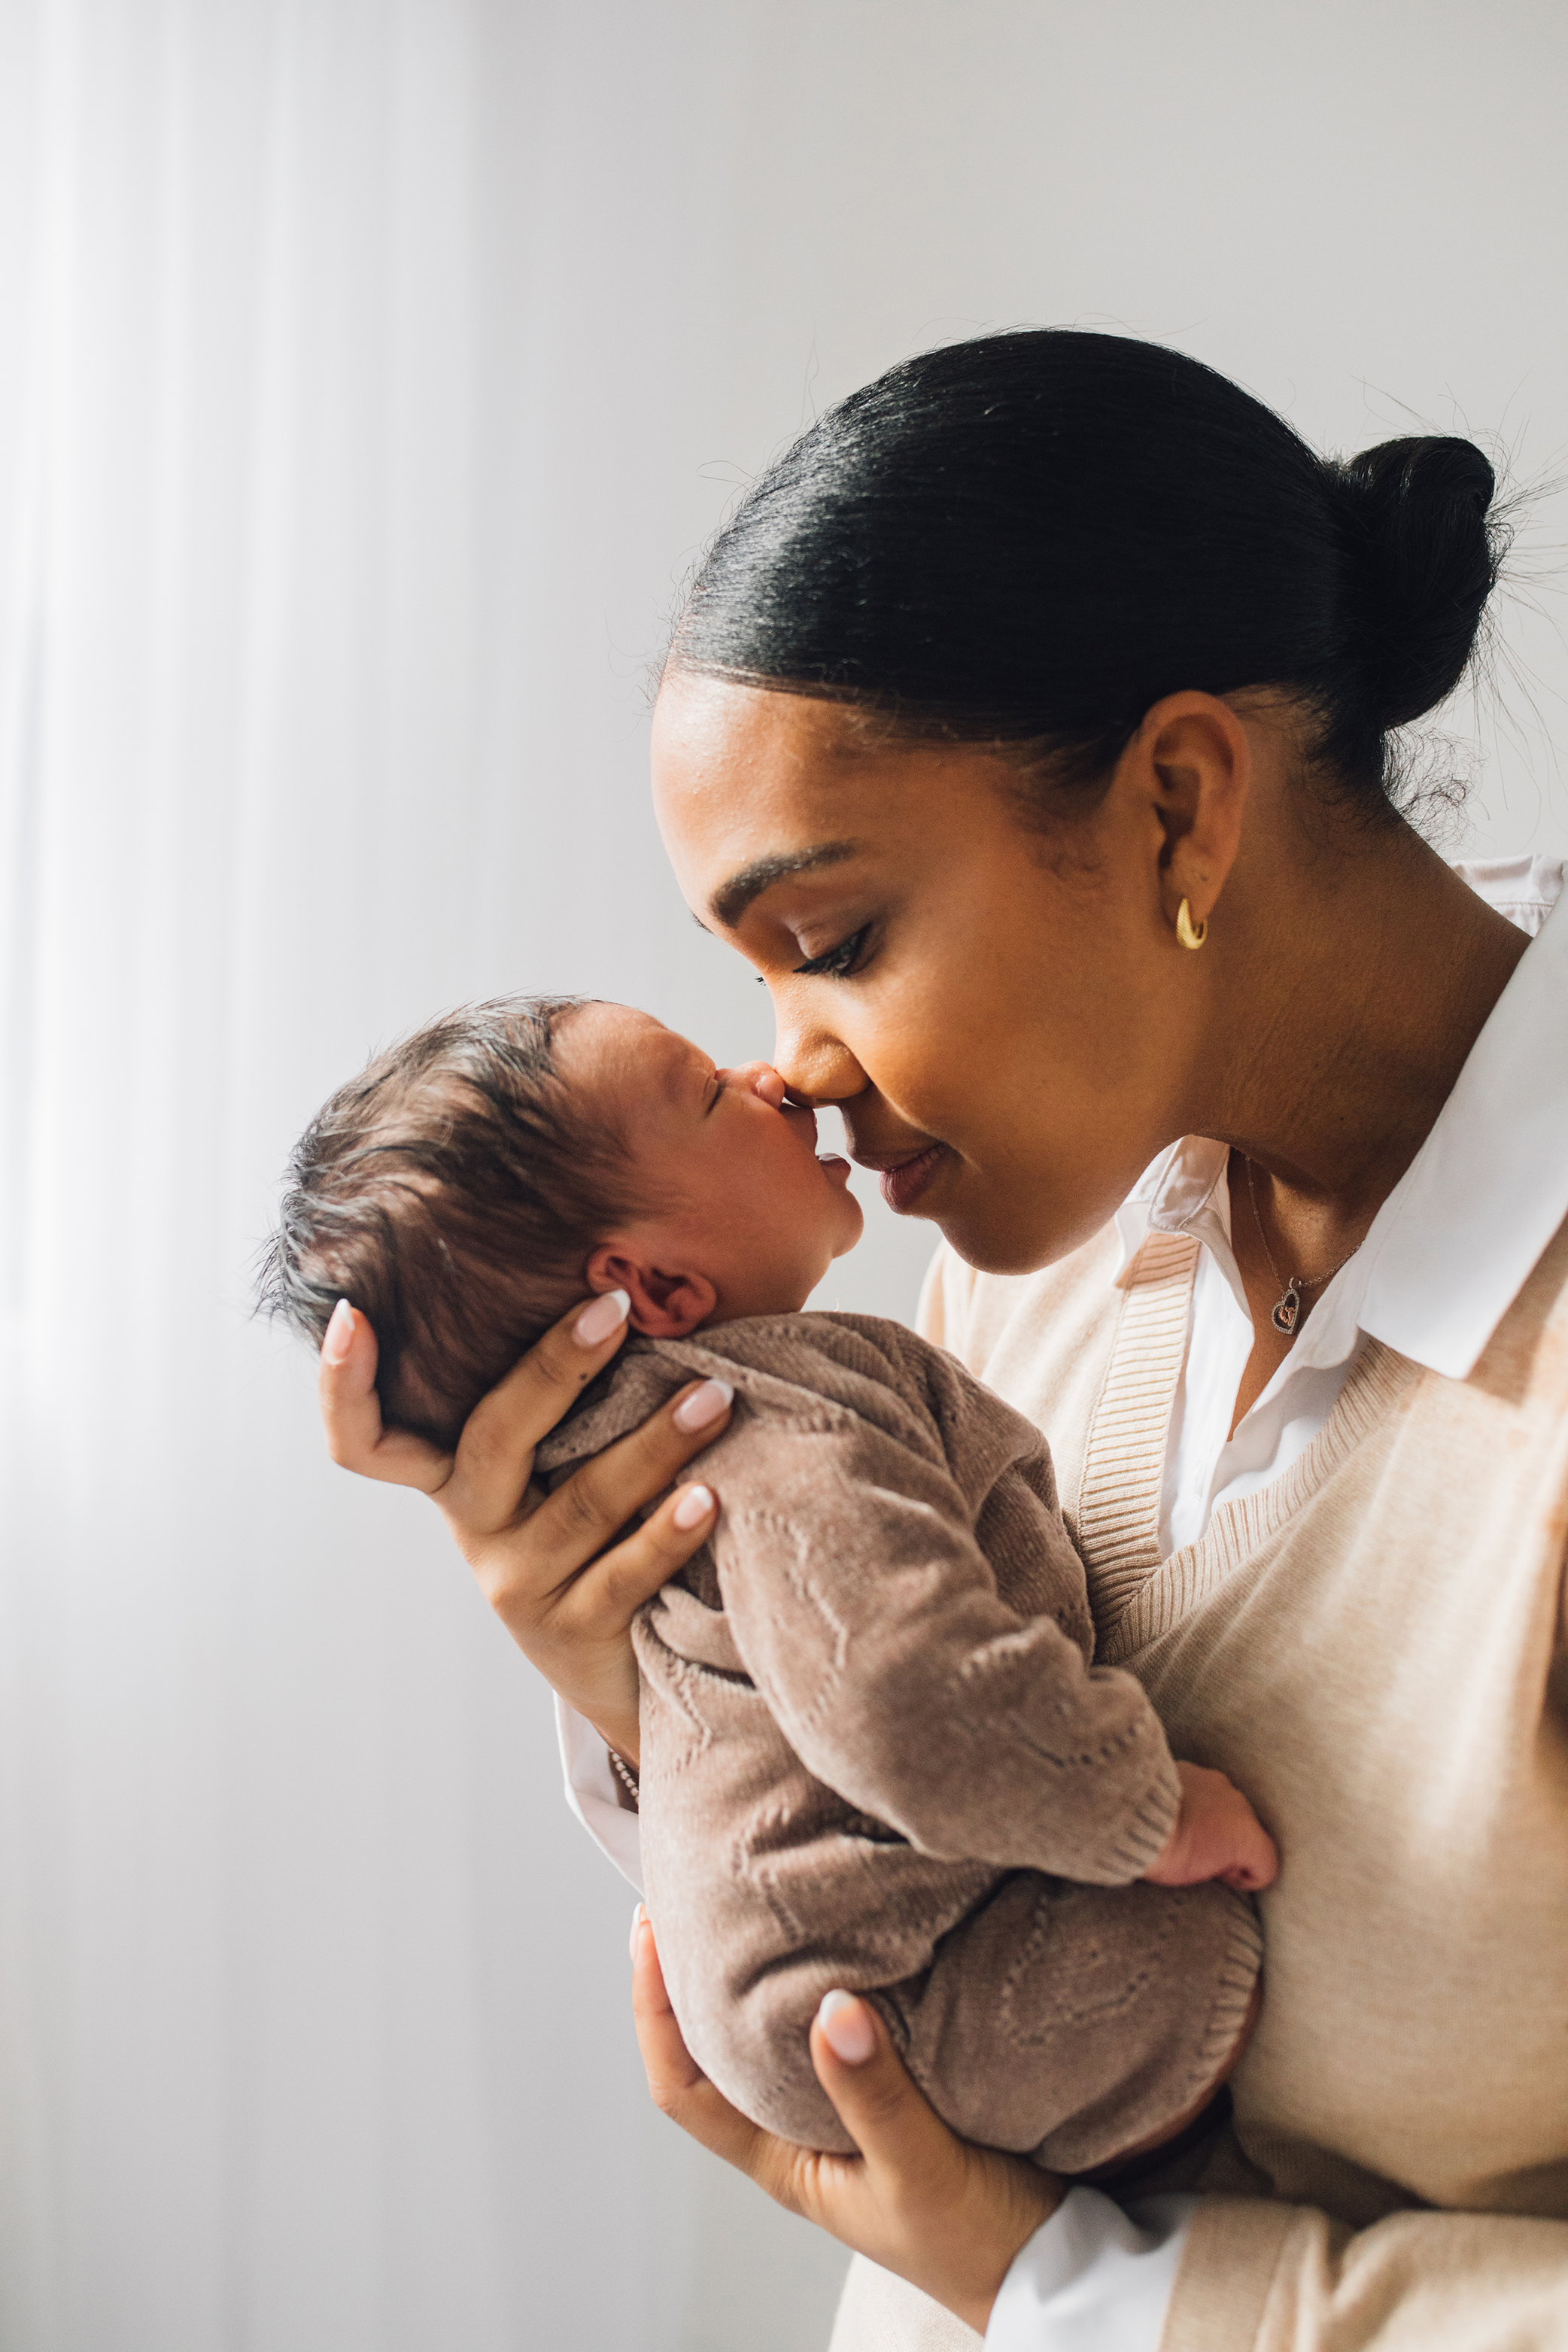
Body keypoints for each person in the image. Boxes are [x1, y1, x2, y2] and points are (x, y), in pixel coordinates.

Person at [318, 330, 1568, 2350]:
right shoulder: (1039, 1239)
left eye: (832, 942)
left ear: (1174, 801)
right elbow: (932, 1846)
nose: (790, 1073)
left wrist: (1059, 2282)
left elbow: (1014, 2231)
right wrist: (641, 1662)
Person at [263, 990, 1275, 2175]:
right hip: (884, 1976)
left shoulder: (650, 1457)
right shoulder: (767, 1431)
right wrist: (1143, 1807)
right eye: (707, 1091)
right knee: (1193, 1967)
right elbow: (903, 1687)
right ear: (657, 1292)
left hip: (807, 1979)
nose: (776, 1073)